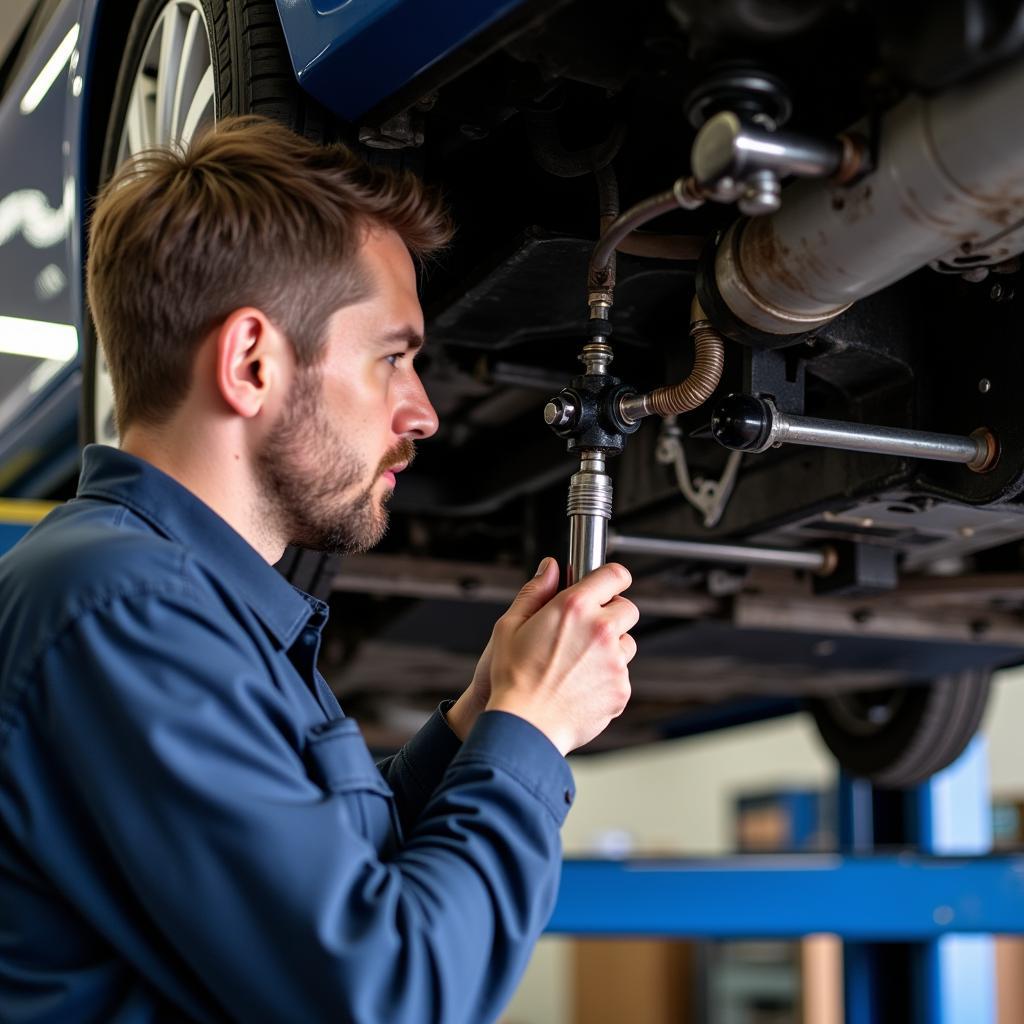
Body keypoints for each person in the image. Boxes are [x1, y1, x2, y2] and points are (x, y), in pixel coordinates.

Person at [0, 116, 638, 1023]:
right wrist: (530, 730)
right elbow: (386, 993)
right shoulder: (123, 606)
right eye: (393, 358)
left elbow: (326, 874)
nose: (422, 413)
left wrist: (479, 718)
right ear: (252, 361)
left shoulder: (173, 603)